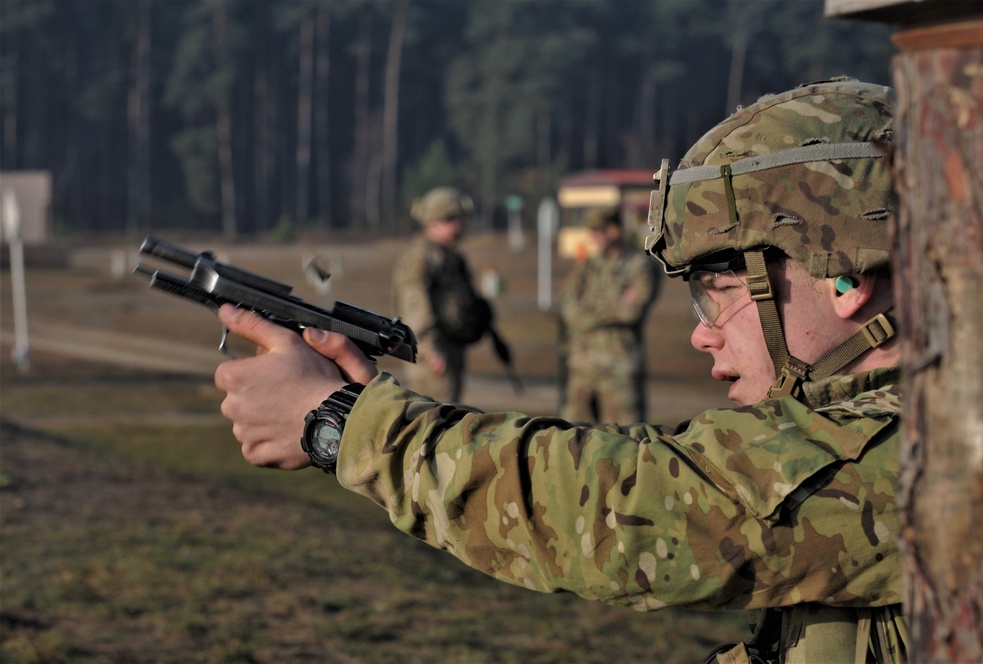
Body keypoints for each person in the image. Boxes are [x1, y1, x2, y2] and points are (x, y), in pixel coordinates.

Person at [215, 79, 907, 663]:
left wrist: (342, 426)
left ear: (843, 274)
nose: (702, 333)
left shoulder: (934, 455)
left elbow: (637, 506)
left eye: (718, 291)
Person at [559, 206, 660, 423]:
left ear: (614, 231)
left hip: (619, 370)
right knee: (575, 438)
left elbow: (632, 311)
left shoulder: (638, 265)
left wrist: (589, 310)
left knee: (625, 440)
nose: (592, 238)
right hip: (582, 369)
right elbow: (568, 310)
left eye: (597, 232)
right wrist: (615, 305)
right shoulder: (585, 267)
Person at [390, 186, 484, 402]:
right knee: (436, 424)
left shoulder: (448, 256)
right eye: (456, 220)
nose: (461, 226)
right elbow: (415, 306)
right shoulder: (421, 258)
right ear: (438, 220)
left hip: (450, 350)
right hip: (432, 359)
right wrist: (429, 349)